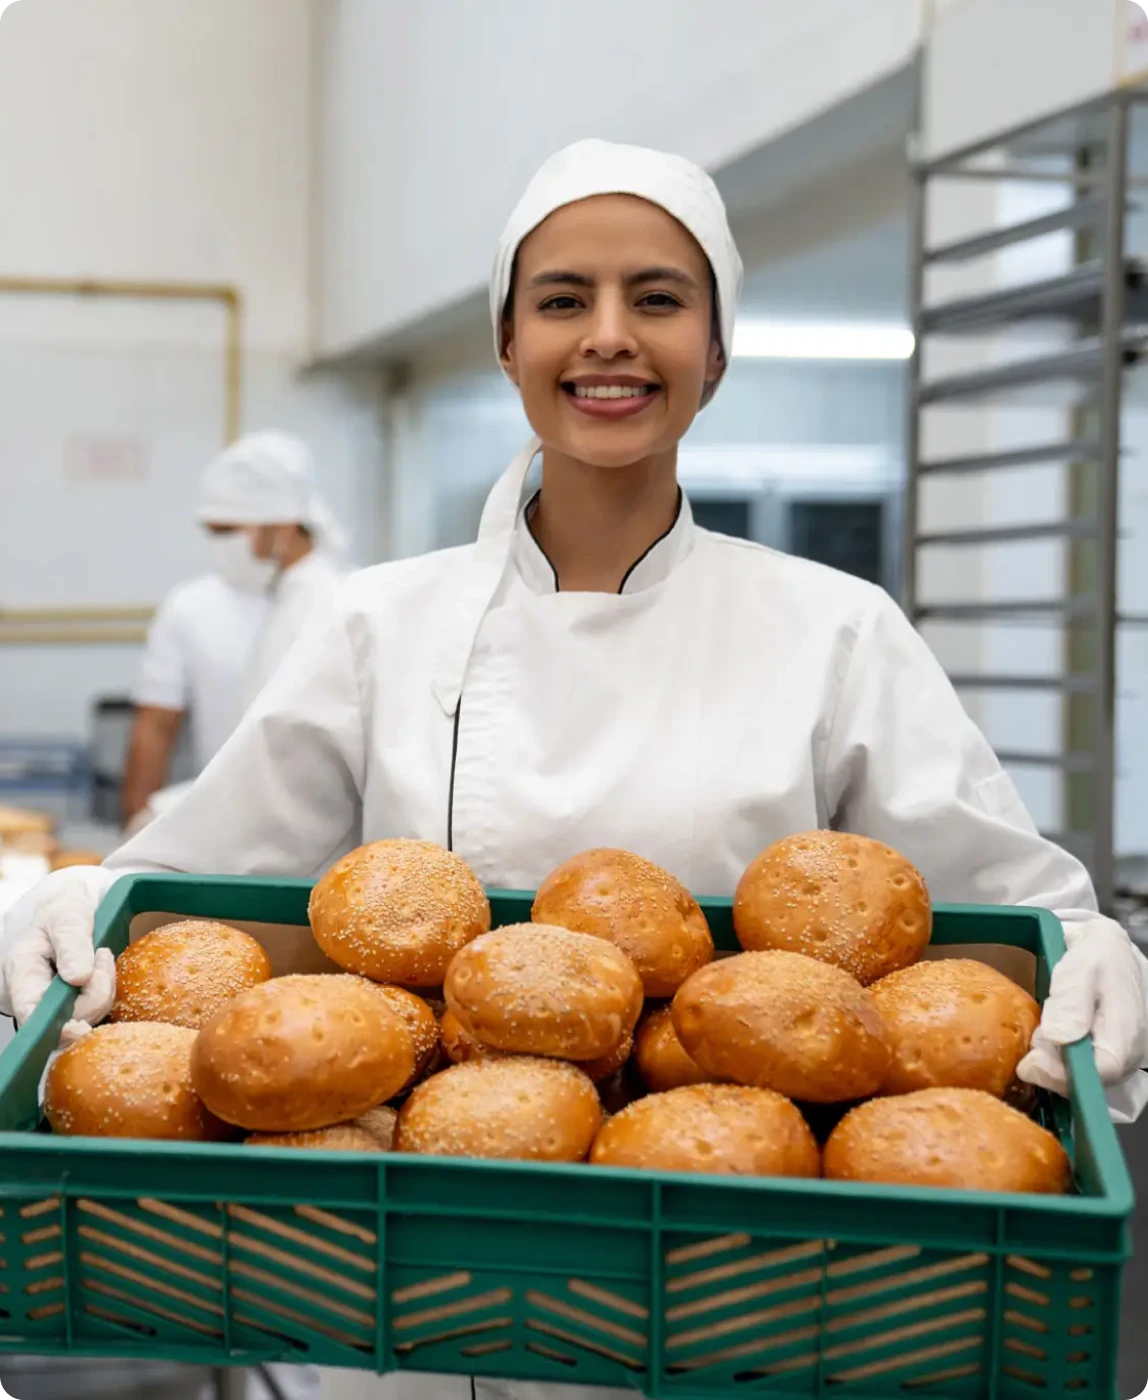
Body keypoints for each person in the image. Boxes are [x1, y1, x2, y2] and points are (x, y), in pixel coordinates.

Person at [2, 139, 1146, 1398]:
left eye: (657, 298)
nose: (608, 336)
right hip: (397, 1313)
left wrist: (1084, 945)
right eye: (562, 300)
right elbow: (198, 896)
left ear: (716, 346)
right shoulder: (378, 624)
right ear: (507, 344)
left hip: (737, 1300)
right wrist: (86, 899)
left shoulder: (835, 629)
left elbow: (994, 926)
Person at [122, 430, 348, 830]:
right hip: (254, 820)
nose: (219, 545)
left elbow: (281, 754)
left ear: (280, 526)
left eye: (226, 531)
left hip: (296, 828)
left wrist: (163, 814)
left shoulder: (331, 603)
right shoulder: (287, 596)